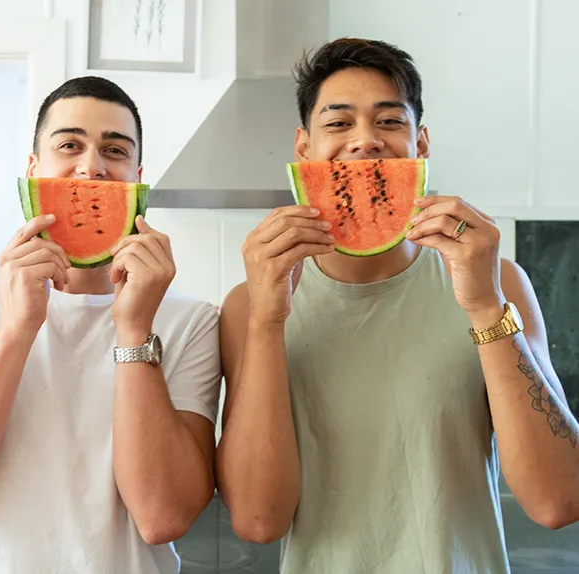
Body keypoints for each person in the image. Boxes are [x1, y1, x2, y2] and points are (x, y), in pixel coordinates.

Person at [215, 37, 579, 572]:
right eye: (338, 124)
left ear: (420, 144)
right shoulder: (251, 301)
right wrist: (269, 321)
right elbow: (257, 521)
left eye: (389, 121)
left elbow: (559, 501)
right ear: (303, 148)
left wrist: (483, 307)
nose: (365, 142)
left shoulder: (496, 280)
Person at [0, 76, 221, 574]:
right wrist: (16, 329)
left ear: (137, 179)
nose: (92, 167)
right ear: (34, 172)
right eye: (70, 145)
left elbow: (162, 517)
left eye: (115, 150)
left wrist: (134, 329)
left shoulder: (190, 320)